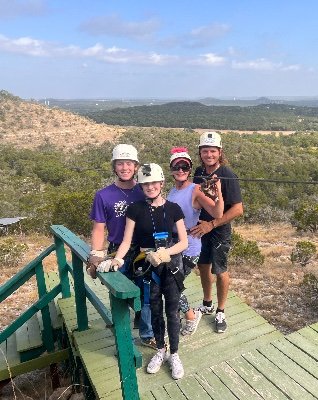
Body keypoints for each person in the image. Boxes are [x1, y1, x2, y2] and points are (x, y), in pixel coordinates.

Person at [97, 163, 188, 380]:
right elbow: (127, 241)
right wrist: (117, 259)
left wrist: (166, 253)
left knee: (172, 312)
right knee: (154, 310)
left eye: (154, 183)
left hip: (171, 266)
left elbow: (183, 241)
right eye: (146, 184)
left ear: (162, 183)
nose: (150, 187)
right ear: (141, 185)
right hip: (149, 267)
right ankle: (160, 350)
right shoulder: (135, 209)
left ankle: (174, 354)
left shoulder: (173, 208)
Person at [87, 144, 156, 349]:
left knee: (146, 294)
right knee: (120, 295)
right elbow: (99, 228)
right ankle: (123, 339)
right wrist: (96, 254)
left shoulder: (145, 190)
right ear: (114, 166)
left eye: (129, 163)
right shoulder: (104, 195)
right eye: (120, 163)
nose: (124, 167)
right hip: (118, 250)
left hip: (144, 250)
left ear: (135, 166)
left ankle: (147, 334)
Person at [167, 147, 224, 336]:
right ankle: (177, 317)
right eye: (177, 166)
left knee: (173, 284)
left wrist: (217, 193)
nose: (181, 170)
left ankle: (190, 316)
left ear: (190, 169)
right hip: (173, 244)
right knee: (170, 283)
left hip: (190, 245)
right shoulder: (171, 192)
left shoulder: (196, 189)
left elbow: (217, 213)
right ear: (171, 169)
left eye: (185, 166)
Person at [191, 132, 243, 333]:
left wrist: (211, 225)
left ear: (220, 152)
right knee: (203, 265)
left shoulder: (227, 174)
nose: (209, 155)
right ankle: (207, 302)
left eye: (213, 151)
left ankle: (221, 310)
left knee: (220, 269)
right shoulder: (198, 171)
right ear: (200, 153)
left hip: (218, 230)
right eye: (205, 151)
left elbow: (238, 209)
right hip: (200, 227)